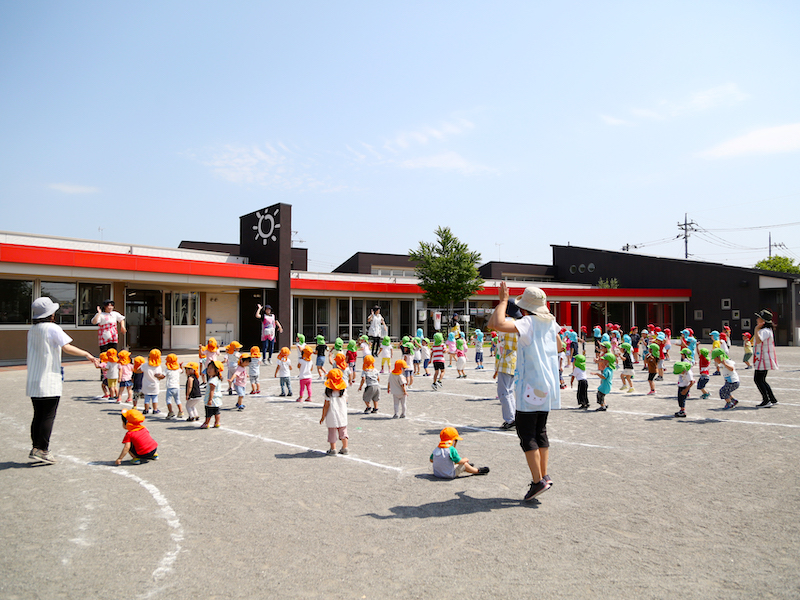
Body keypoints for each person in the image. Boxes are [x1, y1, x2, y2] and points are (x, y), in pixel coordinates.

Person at [487, 283, 563, 502]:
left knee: (527, 434)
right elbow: (559, 346)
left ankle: (538, 480)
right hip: (548, 385)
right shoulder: (550, 322)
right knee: (540, 431)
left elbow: (497, 323)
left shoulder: (528, 322)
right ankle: (544, 475)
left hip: (530, 386)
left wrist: (503, 300)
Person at [26, 297, 99, 463]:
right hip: (49, 379)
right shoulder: (52, 328)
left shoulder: (32, 329)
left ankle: (36, 447)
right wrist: (87, 354)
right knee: (48, 416)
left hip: (34, 378)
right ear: (50, 314)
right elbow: (66, 347)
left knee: (38, 415)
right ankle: (43, 450)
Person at [494, 300, 520, 429]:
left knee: (504, 391)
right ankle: (513, 417)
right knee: (509, 390)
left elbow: (493, 325)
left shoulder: (506, 323)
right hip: (514, 359)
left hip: (506, 360)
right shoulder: (518, 323)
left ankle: (511, 419)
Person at [753, 309, 779, 407]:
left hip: (763, 359)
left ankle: (766, 400)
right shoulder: (767, 330)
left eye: (759, 318)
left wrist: (756, 329)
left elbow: (759, 341)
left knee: (758, 379)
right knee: (762, 379)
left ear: (763, 321)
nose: (757, 319)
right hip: (763, 358)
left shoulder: (764, 331)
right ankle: (772, 399)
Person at [320, 369, 349, 455]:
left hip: (331, 414)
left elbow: (326, 406)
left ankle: (333, 449)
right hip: (342, 413)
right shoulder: (343, 391)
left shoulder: (328, 393)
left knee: (332, 432)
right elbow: (346, 401)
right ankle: (345, 447)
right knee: (343, 431)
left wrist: (323, 417)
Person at [140, 349, 165, 415]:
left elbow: (138, 370)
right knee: (155, 398)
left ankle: (146, 409)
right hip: (155, 384)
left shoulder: (145, 365)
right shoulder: (158, 367)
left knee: (147, 398)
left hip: (146, 384)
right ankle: (155, 409)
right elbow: (160, 375)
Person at [200, 360, 224, 429]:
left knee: (208, 412)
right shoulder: (217, 379)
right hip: (217, 399)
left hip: (212, 399)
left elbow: (211, 391)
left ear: (216, 370)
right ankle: (217, 422)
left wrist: (210, 400)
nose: (208, 370)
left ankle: (206, 423)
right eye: (208, 368)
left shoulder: (212, 380)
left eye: (211, 368)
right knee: (217, 411)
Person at [164, 353, 185, 419]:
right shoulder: (177, 369)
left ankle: (171, 412)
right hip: (177, 387)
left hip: (170, 387)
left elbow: (162, 376)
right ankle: (181, 411)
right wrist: (180, 366)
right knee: (178, 400)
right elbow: (182, 371)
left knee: (168, 400)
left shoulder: (167, 370)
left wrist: (156, 376)